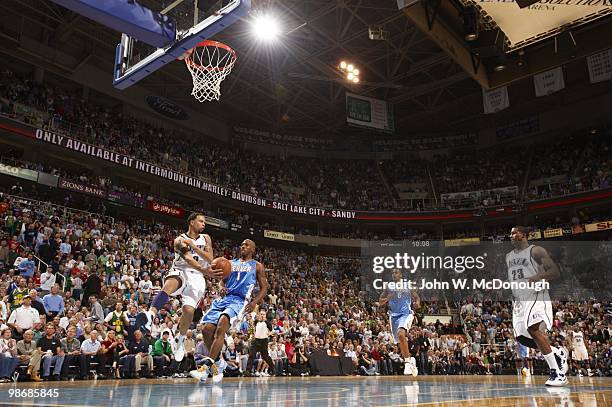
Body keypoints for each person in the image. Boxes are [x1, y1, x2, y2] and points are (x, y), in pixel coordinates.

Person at [147, 213, 223, 363]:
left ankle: (179, 341)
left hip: (197, 276)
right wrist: (205, 270)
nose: (203, 224)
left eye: (204, 222)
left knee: (189, 311)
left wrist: (195, 247)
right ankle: (150, 315)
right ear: (191, 222)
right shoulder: (179, 240)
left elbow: (210, 258)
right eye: (201, 221)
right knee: (171, 283)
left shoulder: (206, 238)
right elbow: (187, 258)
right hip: (181, 269)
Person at [193, 239, 268, 383]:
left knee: (222, 326)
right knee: (206, 329)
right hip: (225, 299)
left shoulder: (257, 266)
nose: (243, 246)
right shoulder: (230, 263)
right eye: (242, 244)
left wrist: (253, 302)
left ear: (253, 249)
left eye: (246, 245)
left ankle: (205, 369)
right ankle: (218, 363)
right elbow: (222, 279)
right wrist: (220, 286)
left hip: (239, 301)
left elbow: (264, 287)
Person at [507, 226, 568, 386]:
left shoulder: (536, 251)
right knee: (521, 337)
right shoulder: (508, 256)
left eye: (515, 232)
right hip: (519, 298)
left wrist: (538, 276)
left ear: (524, 235)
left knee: (533, 329)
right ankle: (557, 352)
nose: (511, 235)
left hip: (536, 293)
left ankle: (557, 374)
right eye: (511, 233)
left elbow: (555, 272)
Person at [379, 268, 420, 376]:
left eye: (396, 272)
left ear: (401, 274)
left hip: (406, 314)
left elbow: (416, 297)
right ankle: (411, 362)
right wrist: (388, 298)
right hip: (393, 316)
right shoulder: (388, 287)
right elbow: (380, 302)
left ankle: (407, 362)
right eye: (392, 273)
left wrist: (417, 303)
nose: (393, 274)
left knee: (401, 334)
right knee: (400, 342)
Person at [245, 309, 275, 377]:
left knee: (265, 357)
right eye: (261, 314)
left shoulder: (267, 323)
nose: (262, 316)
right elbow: (253, 329)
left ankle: (272, 368)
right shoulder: (256, 322)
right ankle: (248, 371)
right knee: (251, 355)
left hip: (264, 341)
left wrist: (269, 333)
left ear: (265, 316)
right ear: (259, 315)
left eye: (263, 314)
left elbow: (272, 331)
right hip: (256, 340)